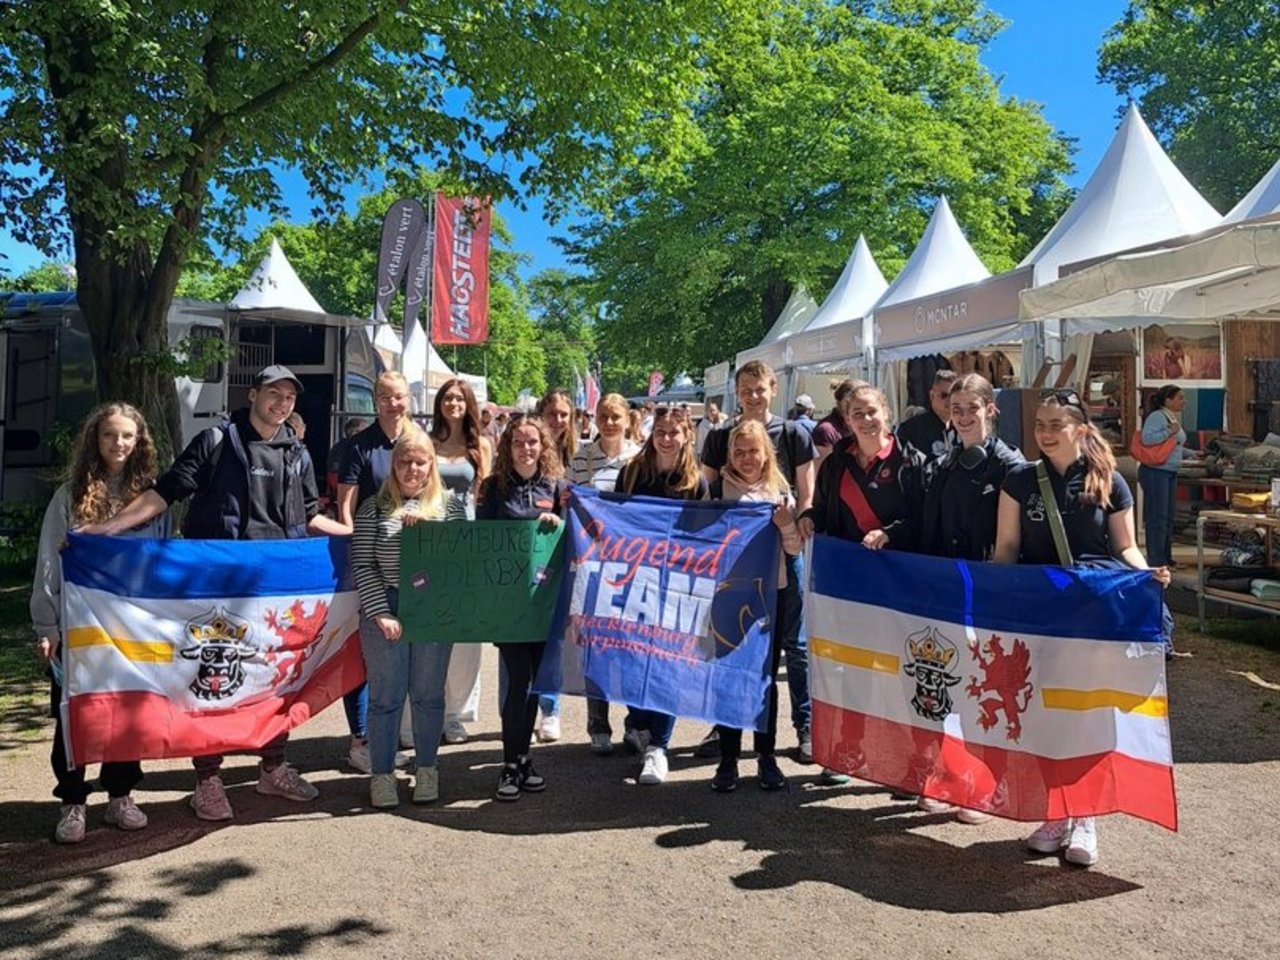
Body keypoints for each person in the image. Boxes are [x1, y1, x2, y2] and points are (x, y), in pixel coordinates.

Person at [82, 365, 348, 821]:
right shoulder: (216, 441)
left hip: (275, 591)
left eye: (289, 397)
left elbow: (309, 517)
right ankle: (207, 780)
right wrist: (107, 529)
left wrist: (358, 537)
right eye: (274, 393)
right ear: (252, 395)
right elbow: (164, 493)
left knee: (275, 679)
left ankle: (273, 767)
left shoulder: (298, 452)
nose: (281, 403)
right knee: (213, 680)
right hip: (218, 590)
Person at [993, 388, 1171, 868]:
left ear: (1081, 429)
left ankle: (1086, 815)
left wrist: (1148, 574)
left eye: (1056, 424)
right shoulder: (1019, 481)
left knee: (1090, 713)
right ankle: (1057, 812)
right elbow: (1006, 548)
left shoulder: (1110, 481)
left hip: (1095, 615)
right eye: (1040, 424)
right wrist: (996, 602)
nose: (1046, 433)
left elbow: (1125, 547)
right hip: (1040, 614)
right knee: (1045, 715)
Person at [32, 403, 167, 843]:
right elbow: (49, 562)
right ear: (95, 438)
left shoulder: (152, 498)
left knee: (128, 713)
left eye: (127, 435)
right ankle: (72, 801)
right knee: (75, 714)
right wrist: (46, 626)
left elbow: (163, 559)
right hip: (80, 628)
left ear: (139, 441)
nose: (118, 443)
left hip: (132, 628)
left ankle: (120, 795)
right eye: (109, 434)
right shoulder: (70, 495)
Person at [915, 373, 1023, 824]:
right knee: (946, 687)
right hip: (946, 593)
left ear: (990, 410)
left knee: (987, 693)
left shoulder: (1011, 466)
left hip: (989, 595)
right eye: (955, 408)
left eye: (971, 409)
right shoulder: (945, 463)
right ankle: (950, 775)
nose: (962, 416)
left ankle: (988, 784)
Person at [701, 360, 815, 763]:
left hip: (782, 555)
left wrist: (796, 524)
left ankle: (805, 726)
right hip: (735, 567)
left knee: (793, 645)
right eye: (746, 390)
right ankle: (724, 729)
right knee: (730, 645)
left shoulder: (794, 433)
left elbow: (806, 492)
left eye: (759, 389)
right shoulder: (719, 436)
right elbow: (706, 498)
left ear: (773, 389)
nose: (753, 396)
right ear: (737, 392)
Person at [352, 427, 455, 809]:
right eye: (404, 461)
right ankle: (382, 775)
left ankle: (427, 768)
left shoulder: (449, 507)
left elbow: (461, 561)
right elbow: (363, 564)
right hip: (387, 605)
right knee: (386, 697)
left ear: (431, 465)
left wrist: (429, 535)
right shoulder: (373, 507)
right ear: (393, 465)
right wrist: (380, 611)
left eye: (420, 462)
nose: (412, 469)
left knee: (428, 695)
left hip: (433, 609)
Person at [617, 406, 710, 784]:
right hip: (636, 579)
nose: (667, 438)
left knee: (669, 664)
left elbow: (705, 536)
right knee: (633, 659)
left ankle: (660, 746)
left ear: (687, 435)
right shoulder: (631, 472)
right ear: (650, 433)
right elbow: (613, 519)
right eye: (660, 431)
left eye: (674, 432)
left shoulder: (696, 481)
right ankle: (638, 722)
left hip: (677, 585)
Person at [708, 419, 801, 793]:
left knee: (765, 679)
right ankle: (728, 758)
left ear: (767, 454)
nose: (746, 458)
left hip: (769, 596)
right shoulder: (715, 491)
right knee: (729, 677)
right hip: (727, 596)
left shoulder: (781, 492)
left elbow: (794, 549)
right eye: (739, 451)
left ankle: (766, 755)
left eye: (753, 451)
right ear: (730, 454)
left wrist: (786, 525)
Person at [477, 414, 566, 801]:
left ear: (543, 446)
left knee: (536, 683)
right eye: (518, 442)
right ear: (507, 446)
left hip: (545, 604)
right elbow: (480, 540)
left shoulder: (558, 486)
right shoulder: (493, 487)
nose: (526, 448)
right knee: (519, 681)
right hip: (509, 605)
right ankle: (509, 765)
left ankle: (524, 759)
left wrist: (558, 522)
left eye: (532, 442)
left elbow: (574, 535)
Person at [335, 371, 414, 774]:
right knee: (364, 657)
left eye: (398, 396)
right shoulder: (359, 446)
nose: (392, 404)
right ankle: (360, 740)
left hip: (411, 565)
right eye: (384, 397)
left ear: (408, 399)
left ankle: (389, 735)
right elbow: (344, 507)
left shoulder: (417, 440)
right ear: (375, 400)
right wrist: (357, 555)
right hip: (370, 563)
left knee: (401, 658)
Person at [567, 392, 642, 755]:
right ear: (595, 419)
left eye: (616, 417)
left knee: (631, 647)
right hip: (593, 563)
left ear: (627, 420)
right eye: (603, 416)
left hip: (631, 564)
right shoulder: (581, 459)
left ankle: (635, 723)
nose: (609, 423)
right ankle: (598, 724)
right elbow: (569, 503)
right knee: (596, 647)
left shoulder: (640, 458)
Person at [430, 378, 493, 744]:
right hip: (432, 541)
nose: (453, 403)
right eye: (447, 398)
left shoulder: (480, 445)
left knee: (465, 635)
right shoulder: (427, 441)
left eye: (459, 398)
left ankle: (455, 714)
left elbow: (486, 492)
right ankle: (426, 708)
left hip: (468, 541)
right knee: (430, 628)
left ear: (468, 404)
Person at [532, 389, 578, 742]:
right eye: (552, 413)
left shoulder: (581, 453)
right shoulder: (530, 447)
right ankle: (523, 706)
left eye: (564, 414)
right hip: (537, 548)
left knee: (557, 635)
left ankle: (551, 707)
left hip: (572, 550)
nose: (558, 420)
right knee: (529, 630)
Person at [1138, 385, 1188, 568]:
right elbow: (1146, 438)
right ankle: (1157, 561)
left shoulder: (1171, 417)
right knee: (1157, 517)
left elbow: (1173, 445)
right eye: (1180, 398)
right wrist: (1169, 431)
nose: (1184, 402)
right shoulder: (1158, 416)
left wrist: (1192, 454)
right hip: (1156, 471)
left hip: (1168, 471)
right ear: (1168, 400)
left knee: (1167, 517)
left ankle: (1166, 558)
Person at [897, 369, 957, 460]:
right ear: (931, 396)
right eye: (944, 395)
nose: (950, 401)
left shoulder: (961, 428)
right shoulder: (911, 429)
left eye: (953, 396)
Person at [811, 379, 867, 467]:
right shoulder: (826, 430)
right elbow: (820, 469)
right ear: (841, 402)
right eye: (852, 401)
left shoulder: (864, 426)